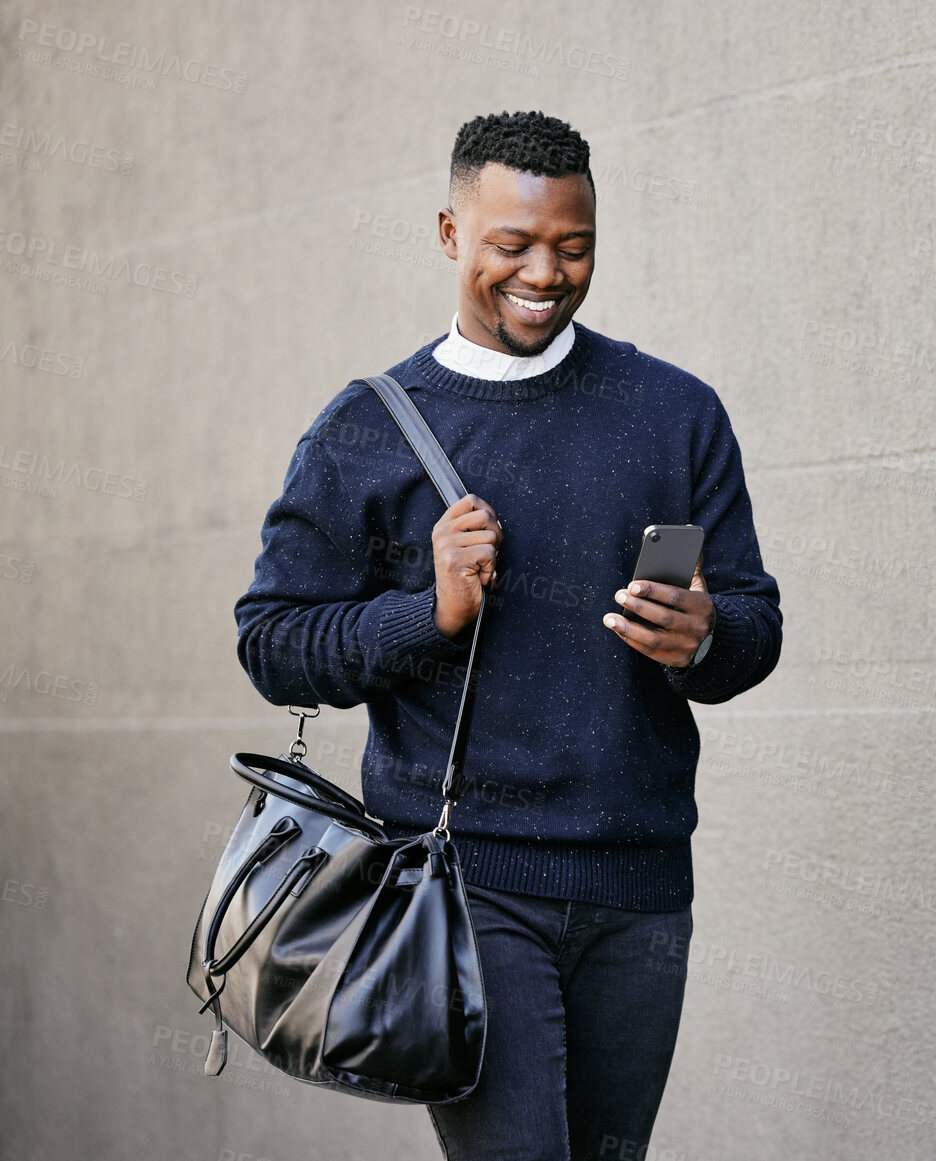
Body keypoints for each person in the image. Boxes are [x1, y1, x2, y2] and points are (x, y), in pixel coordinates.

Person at [233, 110, 782, 1160]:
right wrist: (424, 615)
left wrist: (706, 640)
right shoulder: (368, 428)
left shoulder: (675, 412)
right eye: (513, 244)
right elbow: (272, 643)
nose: (546, 272)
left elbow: (754, 622)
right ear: (451, 234)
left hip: (641, 888)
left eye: (573, 246)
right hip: (466, 885)